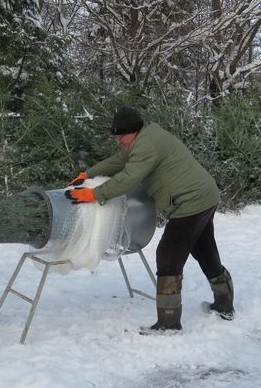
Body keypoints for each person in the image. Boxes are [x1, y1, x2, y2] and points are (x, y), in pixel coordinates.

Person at [65, 106, 234, 332]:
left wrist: (94, 194)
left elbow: (128, 177)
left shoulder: (146, 145)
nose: (119, 141)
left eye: (121, 136)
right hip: (205, 196)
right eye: (116, 136)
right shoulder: (146, 136)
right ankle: (224, 305)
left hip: (190, 202)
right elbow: (120, 160)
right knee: (203, 248)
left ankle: (169, 322)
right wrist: (89, 173)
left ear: (133, 132)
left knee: (168, 254)